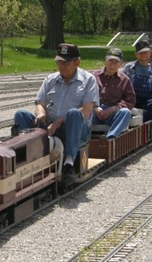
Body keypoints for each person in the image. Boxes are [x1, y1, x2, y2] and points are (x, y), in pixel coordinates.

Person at [13, 43, 99, 185]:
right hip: (50, 126)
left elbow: (86, 110)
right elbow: (40, 102)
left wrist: (60, 121)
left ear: (77, 62)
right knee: (20, 115)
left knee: (73, 114)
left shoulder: (88, 80)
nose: (61, 66)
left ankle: (69, 164)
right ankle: (26, 161)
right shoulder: (50, 79)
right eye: (59, 62)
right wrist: (40, 113)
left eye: (65, 63)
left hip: (75, 128)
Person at [92, 48, 136, 139]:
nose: (112, 65)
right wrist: (95, 108)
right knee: (79, 112)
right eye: (110, 61)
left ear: (121, 64)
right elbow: (84, 95)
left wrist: (114, 108)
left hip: (112, 114)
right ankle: (81, 141)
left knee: (126, 112)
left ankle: (111, 136)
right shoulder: (93, 76)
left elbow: (130, 100)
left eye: (116, 62)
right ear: (105, 60)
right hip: (94, 112)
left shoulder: (124, 80)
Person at [122, 40, 152, 122]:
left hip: (148, 101)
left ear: (150, 53)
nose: (143, 55)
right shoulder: (128, 68)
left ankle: (139, 120)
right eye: (140, 53)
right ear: (136, 54)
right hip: (132, 100)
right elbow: (121, 84)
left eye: (145, 52)